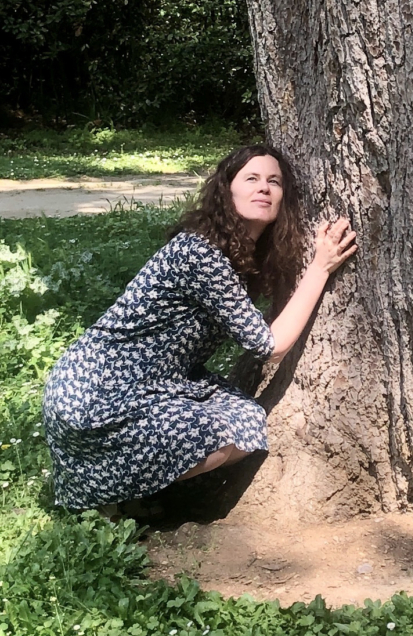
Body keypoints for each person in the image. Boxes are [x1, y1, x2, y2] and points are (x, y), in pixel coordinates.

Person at [42, 144, 357, 515]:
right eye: (251, 178)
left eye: (274, 181)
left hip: (140, 386)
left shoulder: (238, 254)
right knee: (240, 428)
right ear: (227, 190)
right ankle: (116, 500)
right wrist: (320, 268)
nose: (264, 187)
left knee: (240, 416)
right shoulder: (200, 253)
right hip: (96, 394)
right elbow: (271, 347)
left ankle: (127, 496)